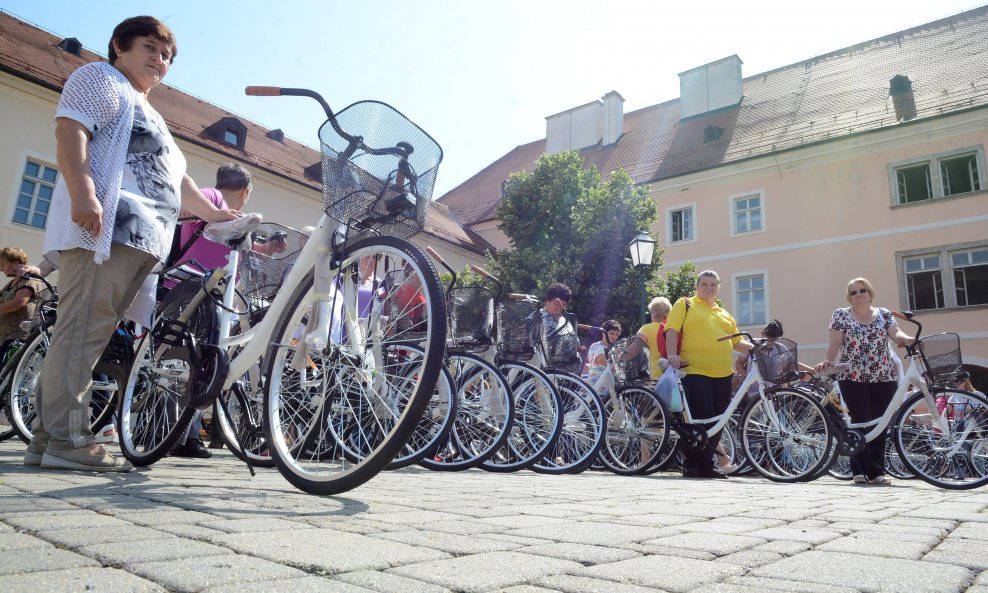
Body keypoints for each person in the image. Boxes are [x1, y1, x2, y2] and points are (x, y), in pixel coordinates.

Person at [25, 16, 239, 472]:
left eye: (166, 55)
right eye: (149, 47)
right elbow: (70, 131)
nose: (159, 60)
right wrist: (84, 194)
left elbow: (176, 179)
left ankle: (48, 439)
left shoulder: (151, 112)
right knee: (82, 329)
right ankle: (66, 438)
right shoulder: (100, 78)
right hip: (107, 231)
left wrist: (215, 213)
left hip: (140, 240)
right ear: (120, 47)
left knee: (91, 332)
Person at [168, 164, 253, 459]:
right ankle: (172, 433)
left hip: (206, 296)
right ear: (245, 191)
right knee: (183, 363)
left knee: (197, 364)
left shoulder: (233, 217)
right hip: (190, 291)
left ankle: (185, 434)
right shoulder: (211, 198)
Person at [816, 277, 913, 486]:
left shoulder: (884, 314)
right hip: (852, 376)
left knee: (879, 423)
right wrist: (828, 362)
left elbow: (896, 333)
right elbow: (834, 342)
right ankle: (858, 470)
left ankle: (877, 471)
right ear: (849, 297)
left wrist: (905, 338)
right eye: (854, 292)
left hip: (884, 376)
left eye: (863, 290)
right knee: (860, 421)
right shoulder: (841, 315)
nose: (859, 294)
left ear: (870, 293)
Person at [665, 270, 753, 479]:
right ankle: (691, 464)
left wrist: (757, 345)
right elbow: (672, 330)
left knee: (718, 420)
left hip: (723, 373)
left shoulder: (725, 314)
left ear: (718, 288)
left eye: (713, 284)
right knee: (701, 418)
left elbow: (736, 343)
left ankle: (707, 463)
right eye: (704, 284)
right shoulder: (686, 304)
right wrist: (672, 355)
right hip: (696, 370)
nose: (709, 288)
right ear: (697, 287)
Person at [528, 283, 581, 374]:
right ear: (547, 301)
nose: (560, 307)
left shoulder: (564, 320)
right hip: (542, 368)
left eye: (563, 305)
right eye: (556, 303)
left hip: (565, 367)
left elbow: (576, 343)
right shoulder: (538, 317)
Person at [0, 247, 45, 346]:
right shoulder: (12, 283)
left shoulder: (31, 279)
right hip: (4, 339)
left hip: (18, 338)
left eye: (3, 265)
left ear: (15, 262)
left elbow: (19, 303)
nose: (0, 268)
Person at [622, 297, 673, 380]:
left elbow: (633, 351)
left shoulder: (647, 328)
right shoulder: (673, 328)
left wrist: (619, 358)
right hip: (676, 374)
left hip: (658, 375)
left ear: (653, 313)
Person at [587, 320, 621, 396]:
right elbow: (610, 366)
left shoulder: (596, 345)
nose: (614, 337)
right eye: (611, 333)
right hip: (598, 389)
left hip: (603, 387)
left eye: (616, 334)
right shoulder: (599, 348)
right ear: (604, 333)